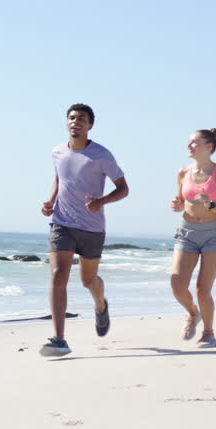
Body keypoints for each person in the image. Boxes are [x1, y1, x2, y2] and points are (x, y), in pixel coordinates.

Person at [40, 104, 129, 356]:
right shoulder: (57, 152)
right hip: (62, 223)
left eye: (81, 118)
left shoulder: (101, 154)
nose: (75, 121)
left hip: (91, 227)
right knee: (58, 275)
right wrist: (50, 202)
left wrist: (101, 202)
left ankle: (101, 306)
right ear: (66, 123)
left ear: (90, 126)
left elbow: (123, 189)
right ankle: (59, 339)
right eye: (71, 118)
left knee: (88, 280)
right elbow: (59, 179)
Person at [170, 128, 216, 347]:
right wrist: (177, 205)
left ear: (209, 147)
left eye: (195, 143)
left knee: (202, 289)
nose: (189, 146)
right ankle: (192, 313)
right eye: (189, 142)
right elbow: (180, 200)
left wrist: (212, 205)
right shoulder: (183, 172)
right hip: (187, 231)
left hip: (214, 234)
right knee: (177, 285)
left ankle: (209, 333)